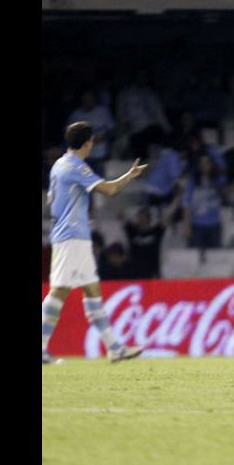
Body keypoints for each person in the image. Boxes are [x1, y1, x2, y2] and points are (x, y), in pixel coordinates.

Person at [42, 121, 147, 364]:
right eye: (92, 141)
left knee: (92, 290)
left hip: (73, 236)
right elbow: (109, 190)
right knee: (59, 291)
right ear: (88, 142)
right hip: (71, 238)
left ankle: (115, 348)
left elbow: (51, 201)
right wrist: (129, 176)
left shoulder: (59, 165)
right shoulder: (76, 166)